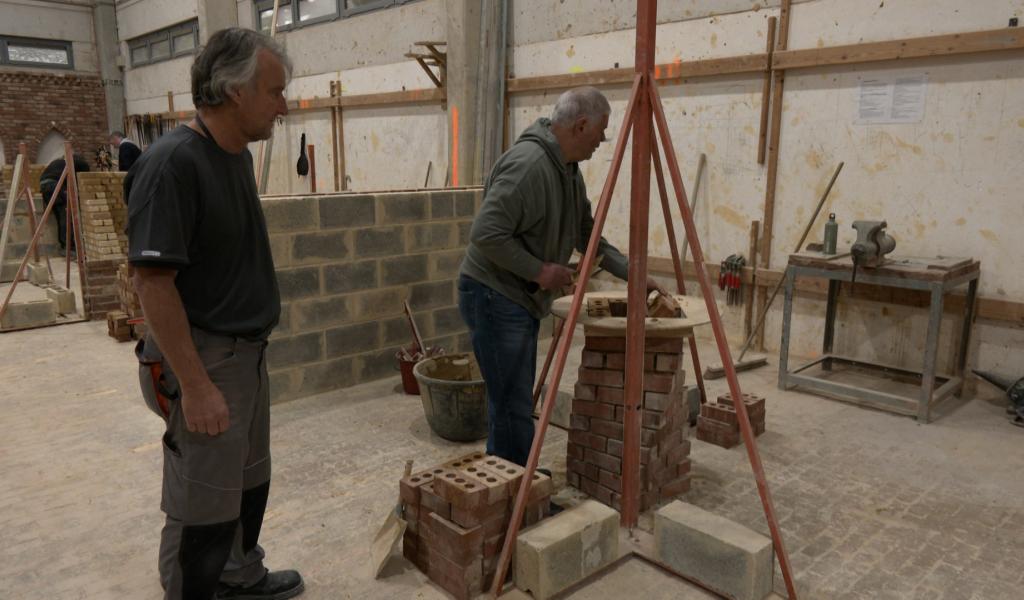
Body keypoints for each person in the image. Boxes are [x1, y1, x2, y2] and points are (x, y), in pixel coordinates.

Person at [126, 28, 303, 600]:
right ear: (234, 90)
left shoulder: (235, 156)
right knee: (201, 506)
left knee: (247, 484)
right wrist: (197, 386)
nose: (283, 106)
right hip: (204, 360)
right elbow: (152, 284)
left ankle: (239, 577)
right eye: (274, 92)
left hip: (245, 357)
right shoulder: (171, 165)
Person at [458, 86, 663, 467]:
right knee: (512, 403)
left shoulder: (568, 170)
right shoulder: (529, 167)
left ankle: (514, 483)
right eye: (601, 131)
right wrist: (541, 271)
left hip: (517, 296)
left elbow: (587, 232)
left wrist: (632, 274)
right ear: (580, 125)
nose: (602, 140)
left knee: (514, 399)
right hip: (493, 295)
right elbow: (485, 234)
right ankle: (516, 488)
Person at [38, 153, 90, 255]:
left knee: (60, 215)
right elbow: (84, 178)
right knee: (66, 216)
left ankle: (64, 246)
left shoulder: (59, 163)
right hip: (54, 185)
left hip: (44, 187)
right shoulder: (80, 163)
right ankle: (69, 247)